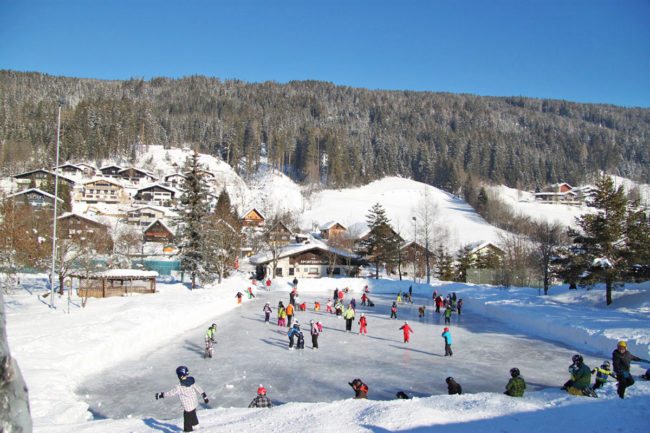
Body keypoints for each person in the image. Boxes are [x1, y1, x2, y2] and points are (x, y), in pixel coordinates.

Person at [155, 366, 209, 433]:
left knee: (187, 420)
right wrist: (204, 395)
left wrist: (162, 394)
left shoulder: (179, 387)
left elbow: (171, 393)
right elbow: (198, 387)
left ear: (179, 376)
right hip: (194, 404)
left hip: (188, 407)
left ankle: (187, 430)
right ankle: (196, 427)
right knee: (193, 414)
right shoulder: (191, 381)